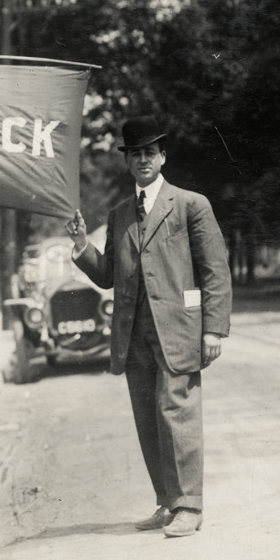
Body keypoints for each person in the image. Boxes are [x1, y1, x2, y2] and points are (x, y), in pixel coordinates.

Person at [66, 115, 232, 538]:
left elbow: (215, 270)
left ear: (163, 157)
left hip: (178, 330)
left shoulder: (191, 205)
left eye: (150, 153)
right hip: (133, 334)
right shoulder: (120, 214)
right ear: (128, 161)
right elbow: (109, 275)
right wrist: (81, 245)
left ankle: (189, 505)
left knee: (177, 413)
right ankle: (167, 502)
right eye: (136, 154)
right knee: (148, 418)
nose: (143, 160)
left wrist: (213, 328)